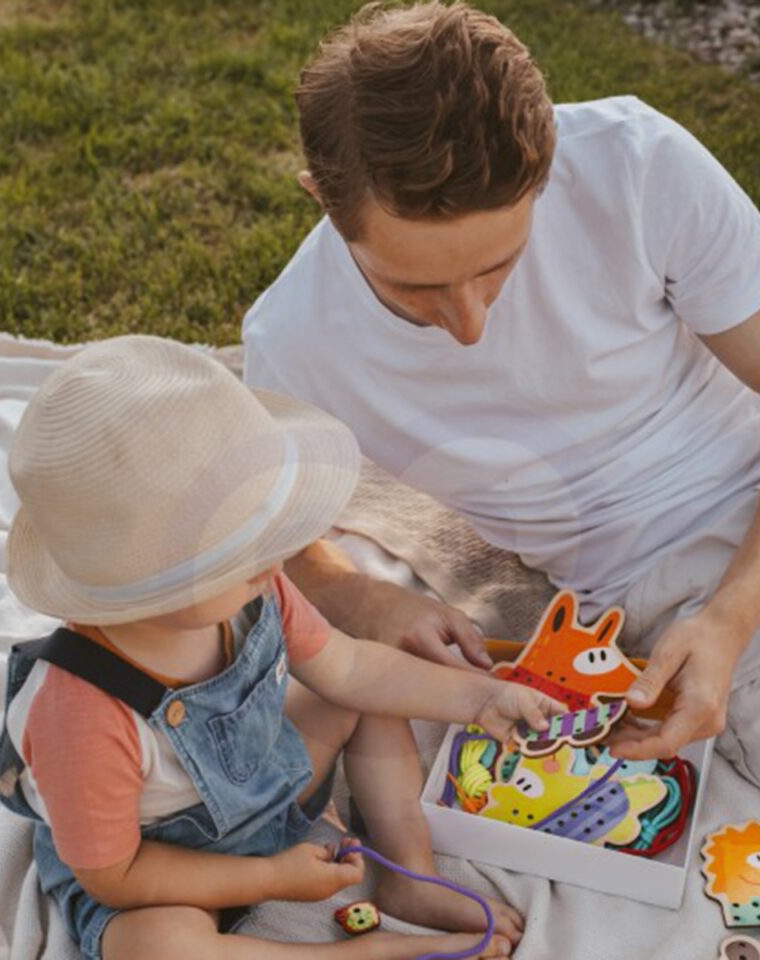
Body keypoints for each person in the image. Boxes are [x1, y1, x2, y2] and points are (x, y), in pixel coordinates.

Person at [242, 2, 760, 779]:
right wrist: (370, 603)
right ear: (321, 197)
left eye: (498, 267)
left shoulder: (636, 165)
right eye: (416, 288)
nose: (470, 325)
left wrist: (731, 618)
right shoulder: (292, 347)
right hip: (656, 575)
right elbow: (275, 547)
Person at [0, 335, 563, 960]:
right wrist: (276, 878)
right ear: (142, 587)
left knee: (367, 692)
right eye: (242, 548)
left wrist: (480, 699)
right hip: (161, 869)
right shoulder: (79, 714)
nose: (276, 557)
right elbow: (115, 876)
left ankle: (405, 871)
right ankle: (354, 954)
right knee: (158, 946)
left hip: (267, 791)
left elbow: (349, 669)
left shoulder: (255, 589)